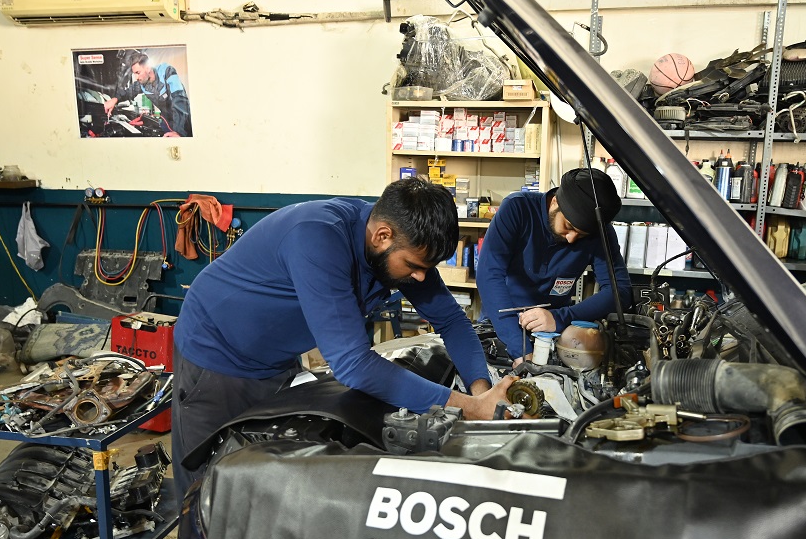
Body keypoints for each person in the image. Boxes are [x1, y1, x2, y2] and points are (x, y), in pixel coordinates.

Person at [171, 178, 516, 501]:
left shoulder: (399, 244)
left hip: (275, 361)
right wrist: (467, 408)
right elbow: (354, 365)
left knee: (261, 480)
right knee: (210, 491)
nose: (421, 277)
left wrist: (481, 393)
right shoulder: (318, 238)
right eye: (413, 265)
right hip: (215, 354)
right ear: (382, 236)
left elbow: (452, 321)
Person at [476, 167, 632, 366]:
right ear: (555, 201)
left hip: (554, 331)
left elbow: (620, 291)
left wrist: (560, 317)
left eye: (582, 235)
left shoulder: (600, 231)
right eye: (568, 226)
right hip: (502, 326)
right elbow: (489, 275)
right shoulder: (517, 209)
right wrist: (518, 346)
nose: (571, 239)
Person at [103, 51, 192, 137]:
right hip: (167, 122)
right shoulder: (142, 84)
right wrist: (115, 99)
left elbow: (180, 99)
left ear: (148, 68)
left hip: (183, 123)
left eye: (138, 73)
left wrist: (179, 132)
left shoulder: (167, 72)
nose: (136, 77)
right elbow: (128, 92)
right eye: (134, 74)